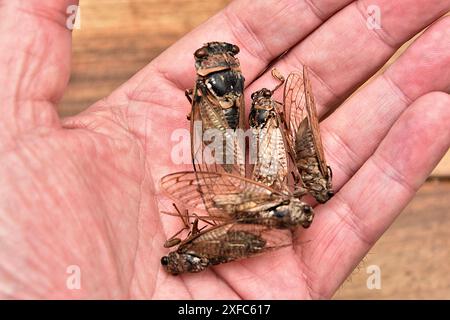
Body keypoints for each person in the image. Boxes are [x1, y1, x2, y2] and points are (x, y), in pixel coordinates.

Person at [0, 0, 449, 299]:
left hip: (240, 180)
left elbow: (206, 122)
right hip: (244, 183)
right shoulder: (238, 97)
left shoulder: (208, 91)